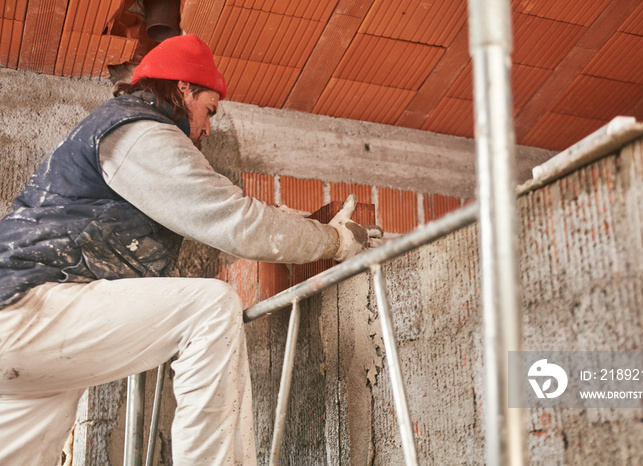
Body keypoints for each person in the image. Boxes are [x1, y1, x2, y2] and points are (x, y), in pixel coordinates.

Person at [0, 34, 382, 465]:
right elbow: (229, 219)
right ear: (184, 87)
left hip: (25, 342)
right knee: (211, 305)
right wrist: (333, 241)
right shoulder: (138, 130)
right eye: (209, 110)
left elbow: (212, 208)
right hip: (27, 308)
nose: (206, 126)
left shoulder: (119, 133)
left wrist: (287, 221)